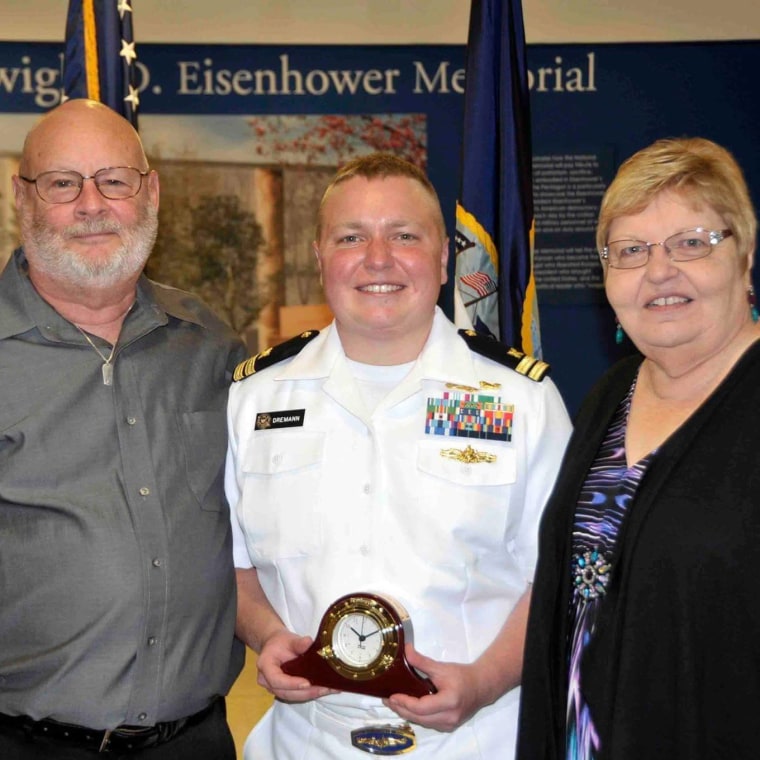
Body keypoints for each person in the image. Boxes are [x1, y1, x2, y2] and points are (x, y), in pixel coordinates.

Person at [226, 152, 572, 759]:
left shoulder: (523, 401)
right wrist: (267, 634)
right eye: (351, 236)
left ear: (442, 259)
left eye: (404, 236)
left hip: (474, 741)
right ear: (319, 257)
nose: (377, 258)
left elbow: (561, 577)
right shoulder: (253, 400)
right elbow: (228, 564)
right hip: (306, 743)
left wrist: (485, 680)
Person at [0, 99, 245, 759]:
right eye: (62, 184)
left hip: (195, 742)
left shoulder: (210, 345)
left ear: (150, 192)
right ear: (22, 197)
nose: (91, 204)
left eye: (114, 180)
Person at [516, 137, 760, 760]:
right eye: (631, 250)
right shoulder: (611, 394)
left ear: (745, 253)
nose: (658, 270)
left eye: (691, 242)